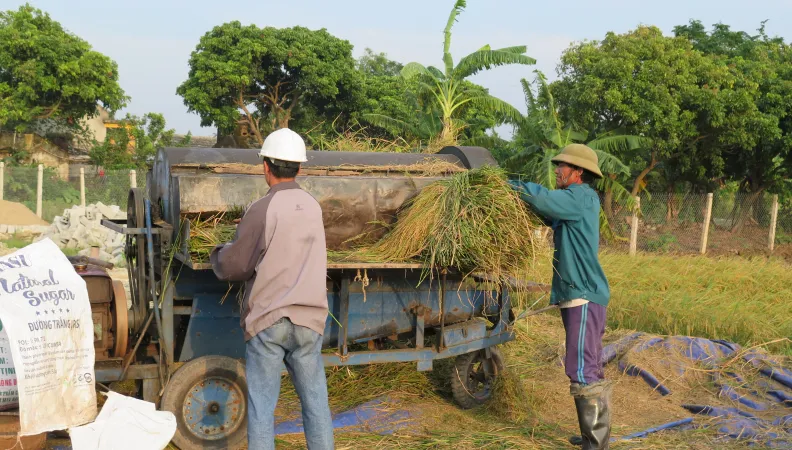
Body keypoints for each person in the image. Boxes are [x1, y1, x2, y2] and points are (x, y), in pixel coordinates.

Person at [209, 128, 334, 450]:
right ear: (300, 168)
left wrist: (218, 252)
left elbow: (236, 266)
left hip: (270, 322)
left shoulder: (262, 208)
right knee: (316, 405)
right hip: (309, 321)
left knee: (262, 410)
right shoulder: (312, 206)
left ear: (266, 167)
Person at [509, 144, 612, 449]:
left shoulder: (579, 197)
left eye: (562, 166)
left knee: (582, 367)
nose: (557, 170)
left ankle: (595, 444)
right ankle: (591, 436)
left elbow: (542, 198)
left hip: (583, 296)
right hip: (578, 295)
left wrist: (510, 185)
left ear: (578, 171)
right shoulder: (576, 201)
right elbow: (543, 210)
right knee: (588, 364)